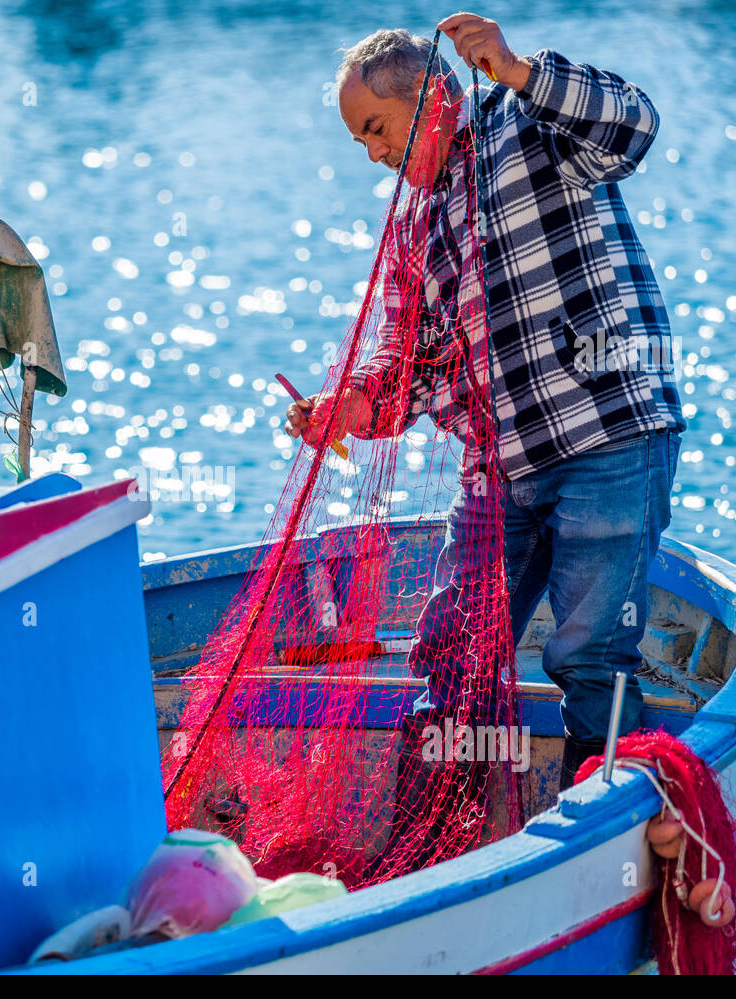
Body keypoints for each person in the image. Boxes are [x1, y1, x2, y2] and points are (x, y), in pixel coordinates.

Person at [286, 13, 685, 789]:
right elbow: (409, 371)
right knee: (452, 652)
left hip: (607, 438)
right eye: (359, 141)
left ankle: (596, 832)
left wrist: (518, 68)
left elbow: (635, 123)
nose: (372, 153)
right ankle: (439, 844)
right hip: (499, 471)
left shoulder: (530, 123)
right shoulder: (411, 227)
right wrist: (348, 407)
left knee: (591, 656)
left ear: (434, 96)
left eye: (376, 129)